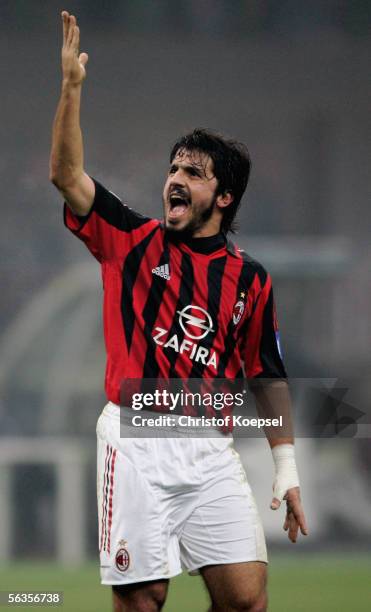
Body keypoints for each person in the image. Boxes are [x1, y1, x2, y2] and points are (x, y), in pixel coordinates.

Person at [50, 11, 308, 612]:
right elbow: (66, 174)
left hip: (208, 449)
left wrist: (286, 469)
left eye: (192, 172)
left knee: (246, 598)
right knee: (144, 599)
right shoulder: (131, 239)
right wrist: (70, 89)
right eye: (172, 168)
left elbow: (267, 376)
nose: (174, 179)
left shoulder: (250, 280)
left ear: (223, 198)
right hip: (136, 440)